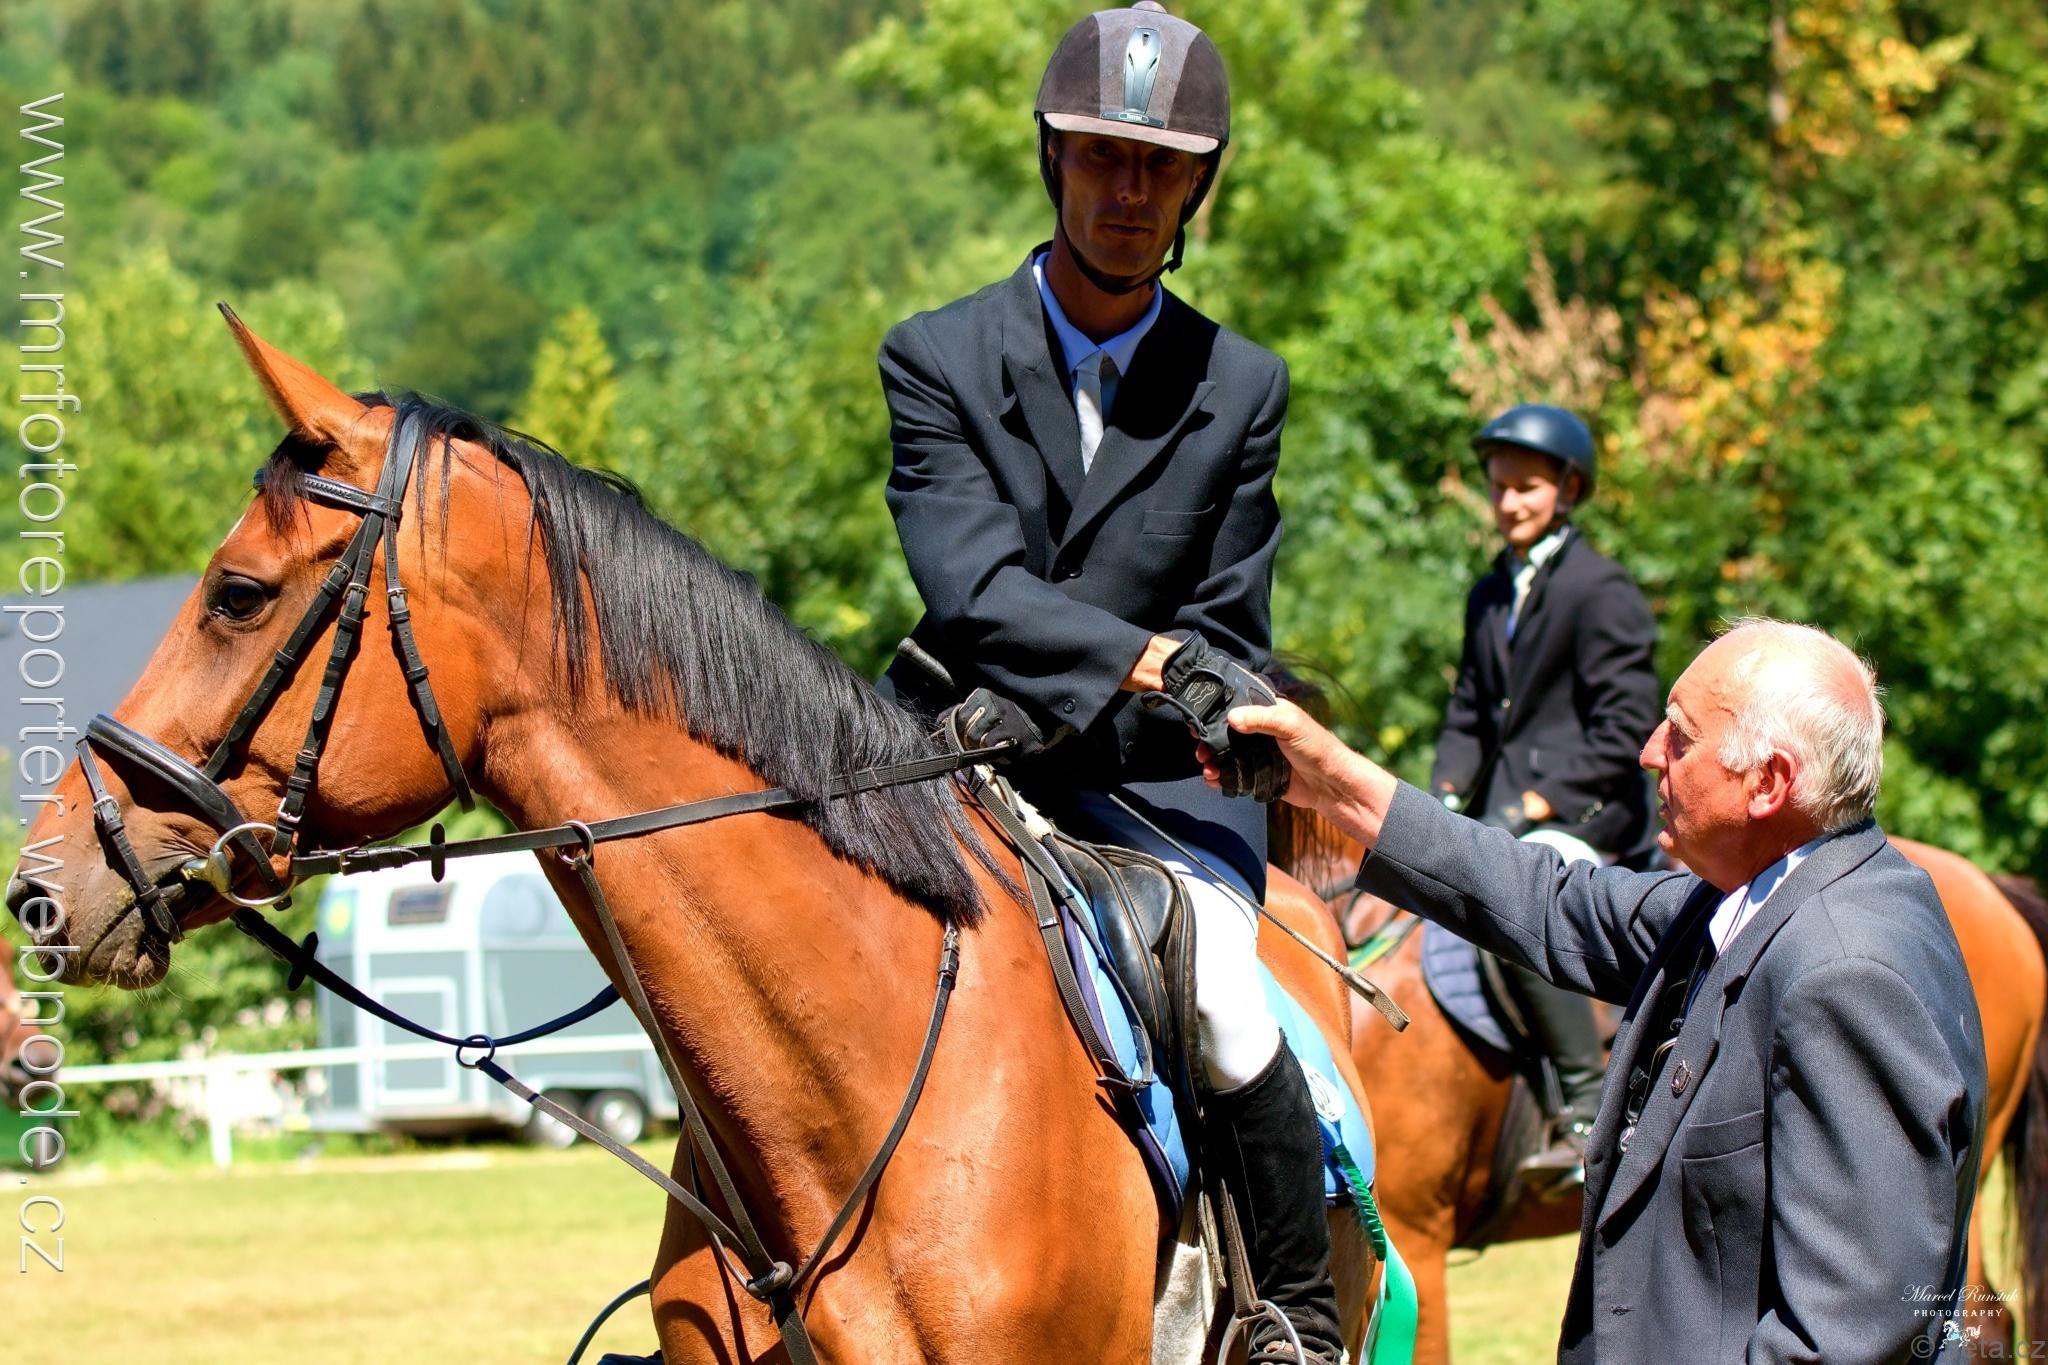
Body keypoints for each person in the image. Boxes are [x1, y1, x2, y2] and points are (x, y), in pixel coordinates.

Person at [872, 5, 1340, 1359]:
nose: (1129, 192)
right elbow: (974, 587)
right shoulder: (936, 356)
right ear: (1052, 159)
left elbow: (1221, 628)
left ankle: (1294, 1319)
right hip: (955, 757)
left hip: (1155, 788)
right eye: (1102, 157)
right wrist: (1138, 660)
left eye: (1161, 167)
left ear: (1198, 187)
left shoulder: (1239, 385)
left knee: (1226, 1005)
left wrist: (1126, 681)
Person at [1207, 618, 1988, 1362]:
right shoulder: (1757, 900)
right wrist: (1332, 782)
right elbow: (1550, 899)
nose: (1649, 753)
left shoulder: (1845, 974)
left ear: (1769, 782)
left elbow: (1844, 1336)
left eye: (1680, 737)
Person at [1431, 403, 1662, 1183]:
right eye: (1498, 487)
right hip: (1503, 808)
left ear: (1568, 488)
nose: (1508, 502)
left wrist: (1532, 804)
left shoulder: (1603, 590)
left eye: (1525, 487)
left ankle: (1588, 1104)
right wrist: (1442, 795)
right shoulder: (1490, 592)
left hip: (1589, 812)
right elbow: (1470, 712)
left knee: (1517, 897)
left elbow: (1625, 730)